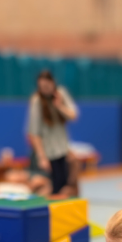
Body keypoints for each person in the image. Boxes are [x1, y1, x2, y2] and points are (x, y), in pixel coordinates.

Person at [26, 69, 78, 197]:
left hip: (63, 150)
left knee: (67, 185)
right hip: (48, 153)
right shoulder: (37, 101)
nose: (45, 89)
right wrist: (42, 157)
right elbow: (34, 133)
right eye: (42, 87)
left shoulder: (61, 94)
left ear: (53, 83)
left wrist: (59, 106)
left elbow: (73, 115)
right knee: (54, 187)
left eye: (47, 86)